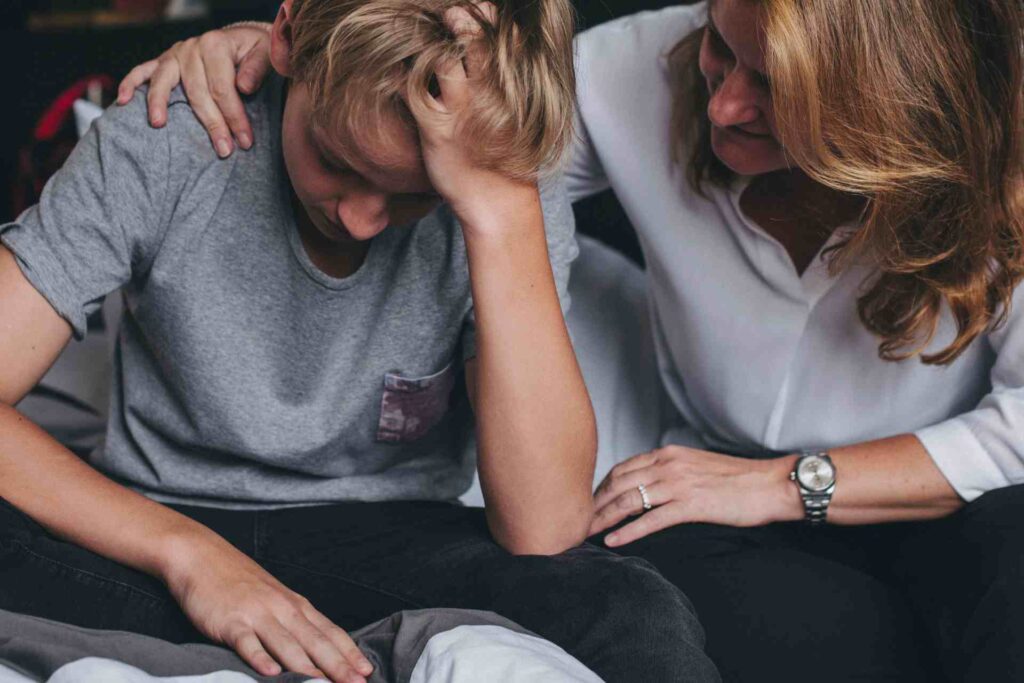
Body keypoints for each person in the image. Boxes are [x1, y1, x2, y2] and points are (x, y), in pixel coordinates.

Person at [143, 0, 1024, 680]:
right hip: (706, 491)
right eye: (722, 46)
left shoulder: (1001, 159)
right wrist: (276, 49)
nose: (722, 102)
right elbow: (443, 121)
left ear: (893, 110)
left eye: (775, 91)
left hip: (953, 500)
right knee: (760, 629)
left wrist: (784, 485)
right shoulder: (641, 68)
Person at [0, 1, 721, 682]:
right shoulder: (173, 135)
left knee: (631, 610)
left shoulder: (500, 187)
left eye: (412, 194)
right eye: (337, 161)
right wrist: (187, 556)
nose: (362, 219)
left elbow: (546, 525)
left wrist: (495, 212)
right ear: (285, 40)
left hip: (387, 539)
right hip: (161, 519)